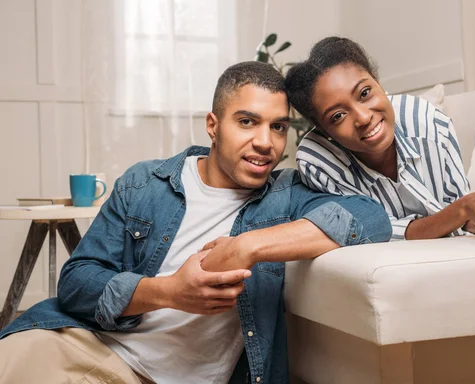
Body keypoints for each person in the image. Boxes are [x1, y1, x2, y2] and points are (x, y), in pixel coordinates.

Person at [0, 61, 391, 384]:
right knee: (19, 354)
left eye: (277, 127)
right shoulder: (145, 183)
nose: (265, 142)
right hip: (97, 349)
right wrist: (169, 292)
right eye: (247, 122)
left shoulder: (285, 195)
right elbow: (76, 281)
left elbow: (371, 218)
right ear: (213, 125)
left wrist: (245, 247)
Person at [286, 37, 475, 242]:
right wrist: (462, 210)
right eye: (338, 116)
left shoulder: (428, 122)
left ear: (379, 83)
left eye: (365, 93)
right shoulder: (318, 160)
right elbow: (372, 232)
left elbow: (458, 214)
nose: (363, 117)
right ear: (323, 131)